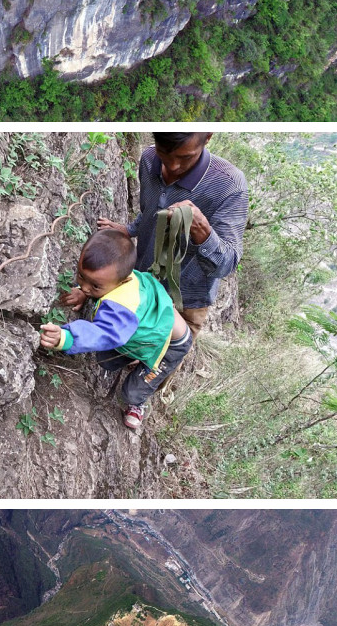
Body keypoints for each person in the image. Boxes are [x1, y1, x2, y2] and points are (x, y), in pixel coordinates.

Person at [40, 226, 192, 432]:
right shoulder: (117, 278)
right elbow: (96, 288)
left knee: (131, 392)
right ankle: (134, 355)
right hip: (149, 326)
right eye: (81, 277)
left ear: (123, 281)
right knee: (106, 360)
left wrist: (66, 337)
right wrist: (85, 293)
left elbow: (105, 333)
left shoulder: (124, 306)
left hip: (168, 345)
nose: (85, 287)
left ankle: (138, 403)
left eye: (95, 286)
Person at [126, 132, 248, 336]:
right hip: (142, 283)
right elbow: (149, 210)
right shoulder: (149, 159)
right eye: (164, 153)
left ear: (208, 137)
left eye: (185, 157)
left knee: (163, 355)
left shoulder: (229, 185)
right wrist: (129, 230)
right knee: (126, 344)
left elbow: (226, 264)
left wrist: (202, 230)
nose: (173, 166)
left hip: (185, 302)